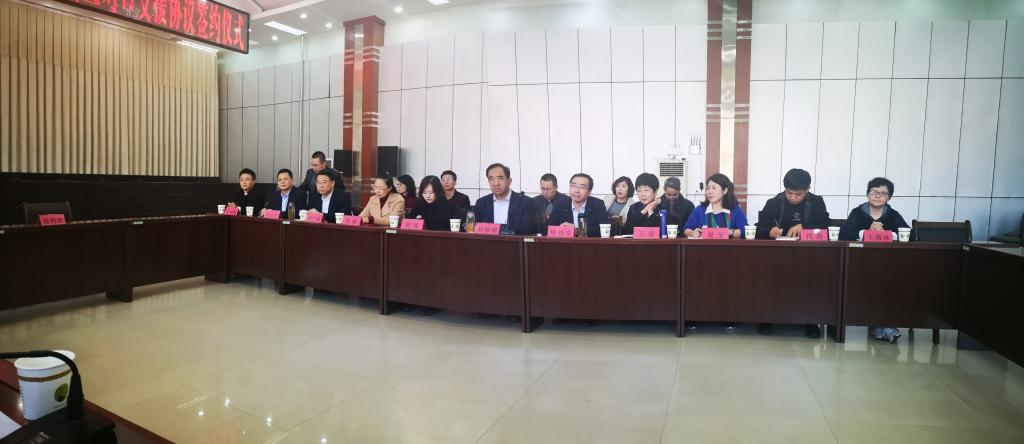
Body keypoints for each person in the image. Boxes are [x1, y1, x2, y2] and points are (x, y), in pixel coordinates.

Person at [754, 168, 830, 338]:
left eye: (798, 194)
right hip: (777, 256)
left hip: (808, 256)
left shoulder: (817, 202)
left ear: (808, 189)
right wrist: (769, 231)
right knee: (767, 280)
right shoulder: (774, 203)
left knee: (811, 281)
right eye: (789, 193)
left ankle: (810, 321)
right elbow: (758, 229)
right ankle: (766, 318)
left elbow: (826, 227)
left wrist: (806, 227)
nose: (793, 197)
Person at [840, 177, 910, 344]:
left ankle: (883, 324)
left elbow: (908, 234)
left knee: (890, 284)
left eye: (883, 193)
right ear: (868, 194)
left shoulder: (893, 215)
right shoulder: (857, 213)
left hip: (888, 264)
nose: (878, 196)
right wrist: (866, 232)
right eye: (874, 192)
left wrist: (886, 234)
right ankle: (881, 326)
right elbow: (844, 233)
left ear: (889, 197)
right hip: (859, 263)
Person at [473, 163, 535, 235]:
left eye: (500, 178)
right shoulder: (481, 203)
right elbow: (474, 228)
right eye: (492, 179)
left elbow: (528, 229)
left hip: (514, 241)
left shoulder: (525, 202)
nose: (496, 183)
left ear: (509, 181)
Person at [683, 173, 748, 239]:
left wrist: (731, 232)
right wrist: (692, 233)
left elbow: (745, 231)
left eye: (714, 188)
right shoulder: (700, 209)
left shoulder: (735, 210)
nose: (710, 191)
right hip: (705, 245)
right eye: (708, 188)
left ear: (725, 191)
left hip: (728, 245)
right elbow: (686, 229)